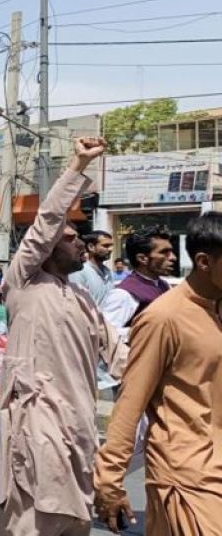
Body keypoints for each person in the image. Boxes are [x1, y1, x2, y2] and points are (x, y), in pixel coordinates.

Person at [0, 137, 122, 535]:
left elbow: (122, 355)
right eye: (70, 238)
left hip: (80, 428)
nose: (81, 243)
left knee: (75, 520)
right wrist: (77, 166)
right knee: (34, 520)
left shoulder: (83, 300)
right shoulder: (23, 282)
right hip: (36, 425)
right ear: (48, 248)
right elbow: (47, 220)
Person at [93, 212, 222, 535]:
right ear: (204, 262)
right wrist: (109, 478)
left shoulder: (215, 310)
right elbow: (131, 402)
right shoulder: (163, 318)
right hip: (186, 476)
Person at [101, 228, 175, 341]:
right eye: (164, 252)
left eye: (171, 252)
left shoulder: (164, 285)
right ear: (142, 258)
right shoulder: (124, 294)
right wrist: (142, 331)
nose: (173, 257)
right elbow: (106, 333)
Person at [69, 230, 115, 306]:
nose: (110, 249)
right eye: (105, 246)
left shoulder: (108, 272)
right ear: (91, 247)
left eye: (111, 246)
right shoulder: (79, 272)